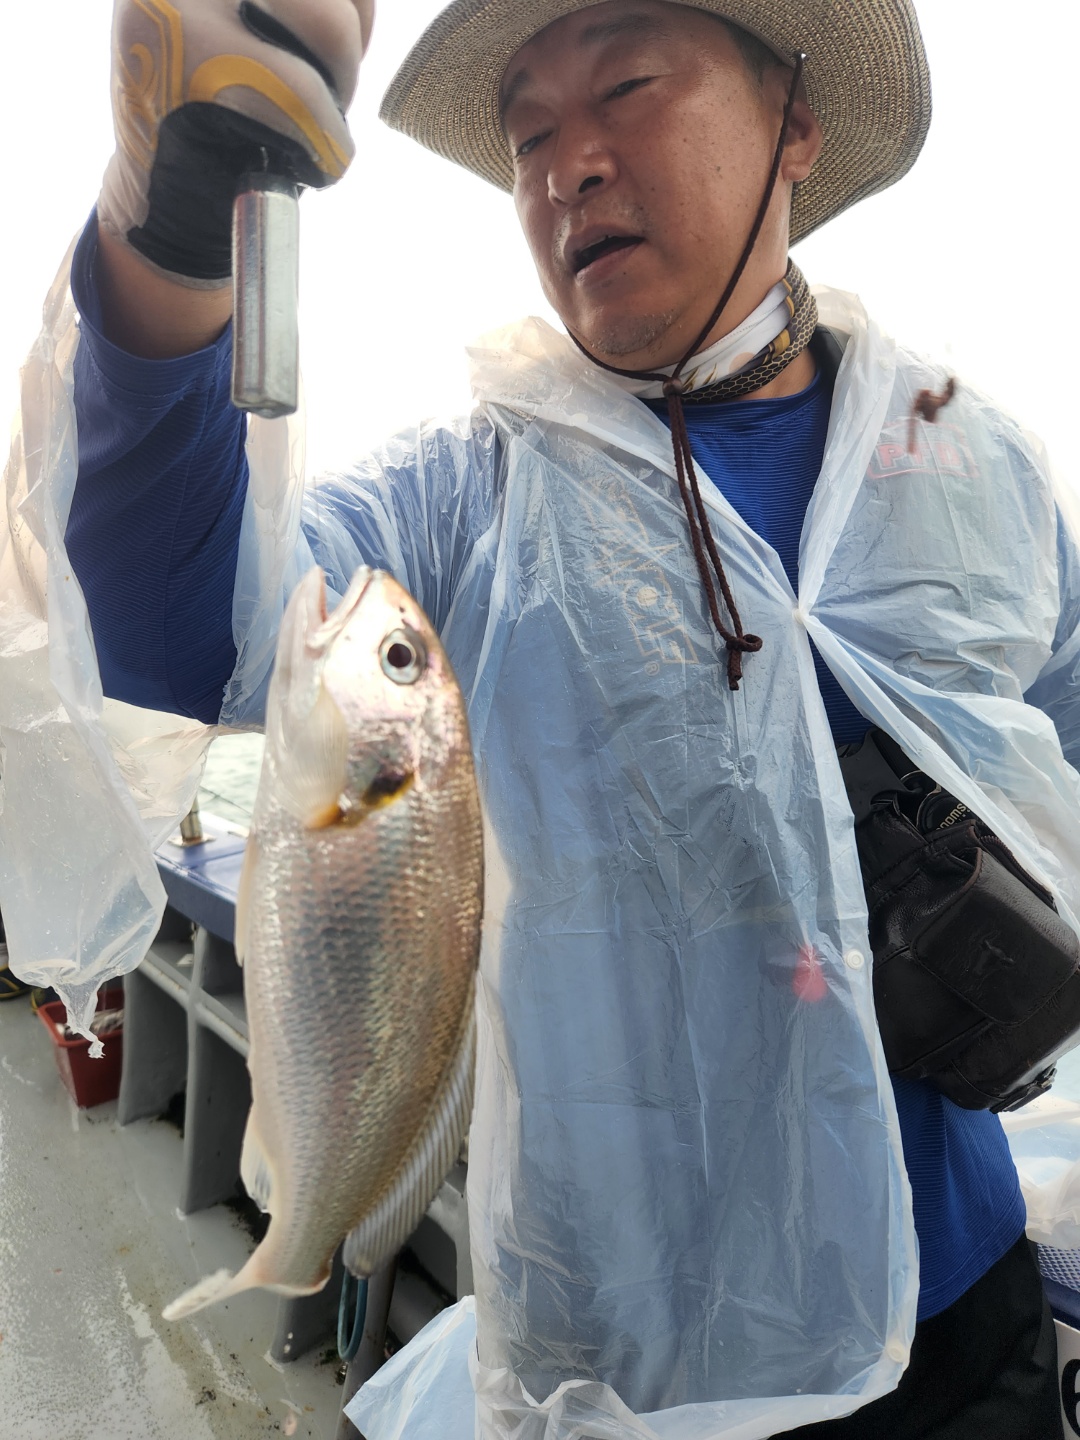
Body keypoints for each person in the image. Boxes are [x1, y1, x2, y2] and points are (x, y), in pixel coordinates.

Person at [51, 0, 1078, 1435]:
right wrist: (169, 228)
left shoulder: (969, 459)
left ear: (794, 122)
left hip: (961, 1310)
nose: (565, 167)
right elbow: (179, 634)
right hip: (621, 1364)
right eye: (527, 134)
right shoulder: (468, 490)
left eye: (629, 85)